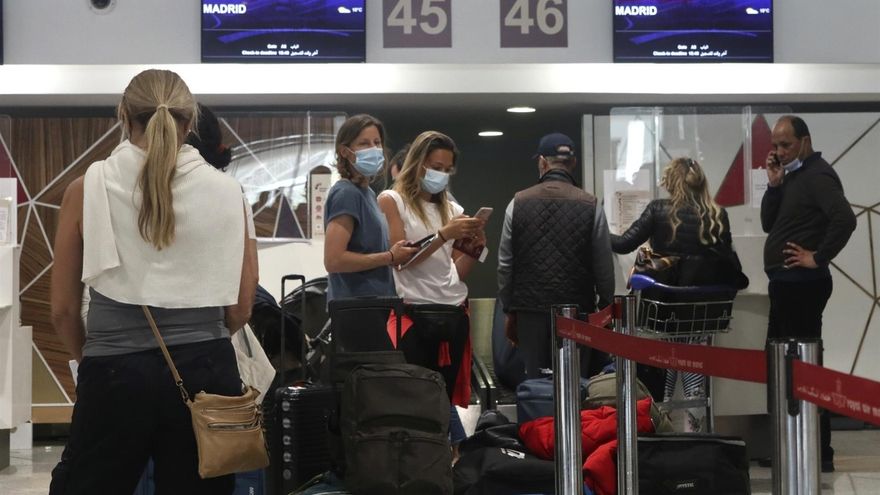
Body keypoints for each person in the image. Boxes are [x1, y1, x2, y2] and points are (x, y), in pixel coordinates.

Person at [49, 69, 258, 494]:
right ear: (190, 120)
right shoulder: (229, 193)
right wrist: (198, 339)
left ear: (124, 115)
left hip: (112, 371)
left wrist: (92, 360)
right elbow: (241, 309)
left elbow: (64, 310)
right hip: (206, 369)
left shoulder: (85, 188)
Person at [610, 157, 746, 432]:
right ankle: (696, 427)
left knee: (672, 354)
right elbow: (727, 259)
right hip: (705, 307)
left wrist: (597, 228)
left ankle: (666, 422)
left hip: (667, 305)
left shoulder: (658, 210)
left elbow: (624, 244)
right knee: (690, 355)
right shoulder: (717, 214)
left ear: (671, 182)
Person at [377, 131, 485, 462]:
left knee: (445, 398)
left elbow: (451, 272)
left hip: (453, 313)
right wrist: (442, 235)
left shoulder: (453, 208)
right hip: (413, 314)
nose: (440, 173)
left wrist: (473, 248)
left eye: (447, 168)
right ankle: (414, 466)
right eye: (435, 165)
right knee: (414, 399)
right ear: (418, 164)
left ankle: (443, 466)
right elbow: (402, 259)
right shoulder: (392, 201)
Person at [761, 115, 857, 472]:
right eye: (775, 146)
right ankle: (797, 447)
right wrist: (774, 185)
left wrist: (817, 257)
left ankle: (819, 451)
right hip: (787, 286)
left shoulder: (818, 175)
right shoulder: (793, 176)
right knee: (785, 367)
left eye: (786, 145)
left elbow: (845, 219)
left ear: (805, 141)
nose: (779, 152)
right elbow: (770, 224)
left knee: (802, 369)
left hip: (802, 287)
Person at [497, 132, 614, 383]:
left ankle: (539, 423)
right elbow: (603, 265)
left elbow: (505, 264)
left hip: (530, 312)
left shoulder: (517, 203)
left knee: (536, 384)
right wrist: (605, 309)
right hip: (577, 312)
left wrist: (509, 309)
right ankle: (570, 424)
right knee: (574, 384)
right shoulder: (590, 205)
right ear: (572, 164)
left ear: (542, 162)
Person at [323, 114, 418, 305]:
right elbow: (333, 260)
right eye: (364, 144)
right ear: (345, 151)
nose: (373, 149)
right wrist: (389, 257)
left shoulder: (367, 194)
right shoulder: (346, 194)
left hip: (376, 303)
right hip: (357, 307)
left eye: (377, 143)